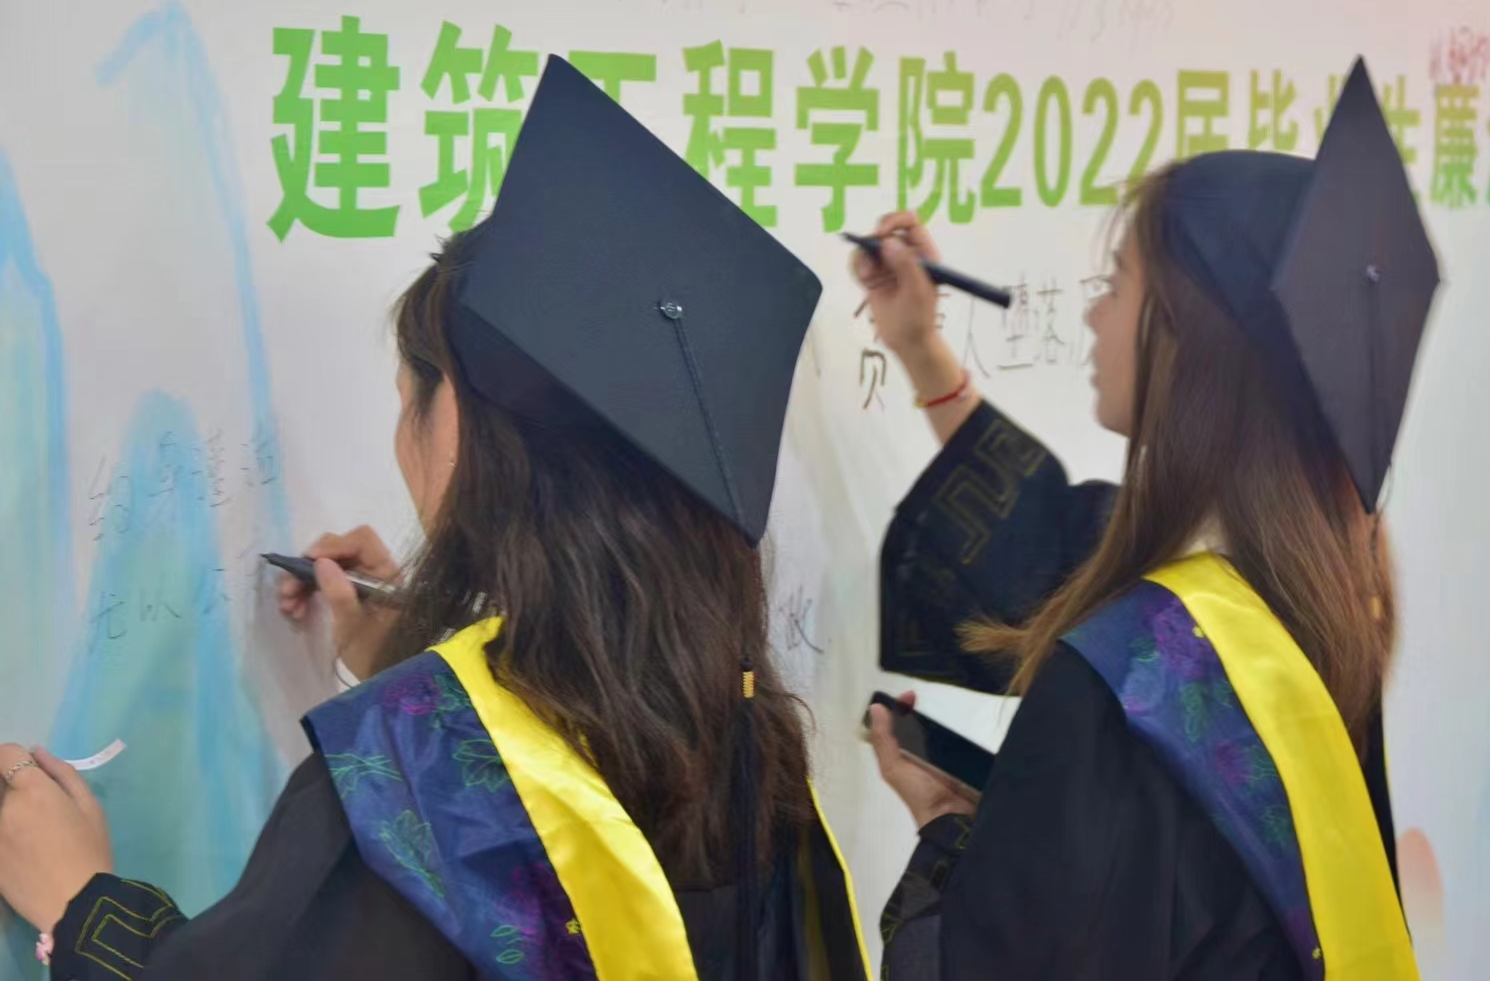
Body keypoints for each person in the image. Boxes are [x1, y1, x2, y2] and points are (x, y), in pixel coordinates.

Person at [0, 56, 869, 980]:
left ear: (465, 427)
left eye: (413, 393)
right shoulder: (747, 739)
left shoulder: (405, 795)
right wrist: (423, 663)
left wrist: (80, 905)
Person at [860, 59, 1434, 980]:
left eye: (1117, 281)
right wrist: (924, 351)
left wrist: (946, 833)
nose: (1093, 314)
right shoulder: (1323, 589)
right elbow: (1063, 541)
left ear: (1187, 335)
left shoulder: (1121, 688)